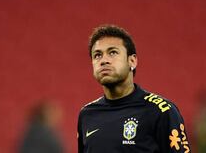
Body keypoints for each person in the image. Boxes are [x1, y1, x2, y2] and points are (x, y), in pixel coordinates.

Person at [77, 24, 191, 153]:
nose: (104, 60)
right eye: (97, 55)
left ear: (132, 61)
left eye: (112, 52)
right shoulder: (87, 114)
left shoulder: (161, 111)